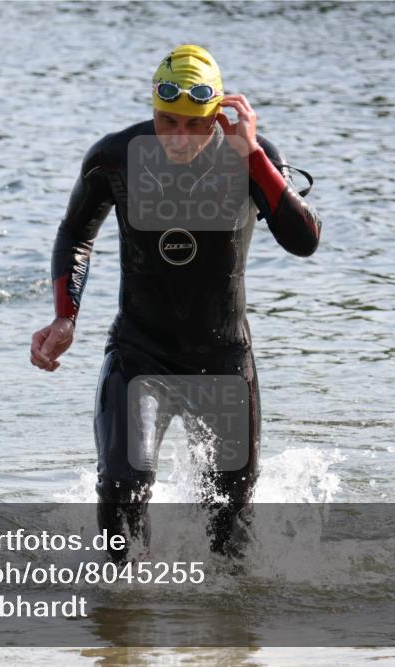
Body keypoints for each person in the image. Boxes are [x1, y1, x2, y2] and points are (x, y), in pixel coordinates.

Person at [30, 45, 322, 562]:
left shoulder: (252, 154)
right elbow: (76, 234)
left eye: (194, 124)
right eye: (167, 121)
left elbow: (304, 241)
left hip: (224, 358)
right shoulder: (115, 156)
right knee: (123, 485)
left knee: (228, 533)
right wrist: (64, 317)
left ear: (218, 114)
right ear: (152, 108)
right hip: (140, 352)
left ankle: (222, 639)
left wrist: (253, 155)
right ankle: (121, 631)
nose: (179, 137)